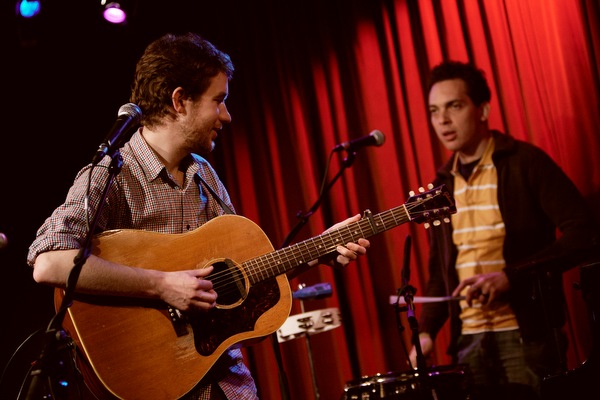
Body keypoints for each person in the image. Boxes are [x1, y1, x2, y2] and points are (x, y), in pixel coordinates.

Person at [27, 32, 370, 400]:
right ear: (180, 101)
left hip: (228, 383)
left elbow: (243, 279)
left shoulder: (204, 174)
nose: (227, 115)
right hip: (159, 383)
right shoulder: (113, 174)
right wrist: (162, 285)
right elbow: (50, 263)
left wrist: (317, 251)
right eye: (218, 101)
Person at [408, 60, 600, 399]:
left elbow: (584, 233)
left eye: (454, 106)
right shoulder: (440, 186)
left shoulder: (525, 162)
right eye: (434, 111)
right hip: (469, 341)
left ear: (483, 110)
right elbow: (440, 273)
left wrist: (512, 277)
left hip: (527, 336)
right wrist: (425, 333)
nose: (443, 120)